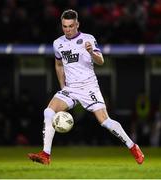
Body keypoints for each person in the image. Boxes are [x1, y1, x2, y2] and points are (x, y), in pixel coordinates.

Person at [28, 9, 144, 165]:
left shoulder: (88, 39)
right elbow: (58, 64)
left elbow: (101, 61)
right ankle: (45, 154)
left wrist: (91, 52)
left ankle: (133, 146)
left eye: (70, 26)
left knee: (105, 121)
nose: (67, 29)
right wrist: (63, 86)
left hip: (88, 87)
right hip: (70, 89)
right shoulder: (58, 43)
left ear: (77, 24)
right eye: (64, 26)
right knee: (48, 111)